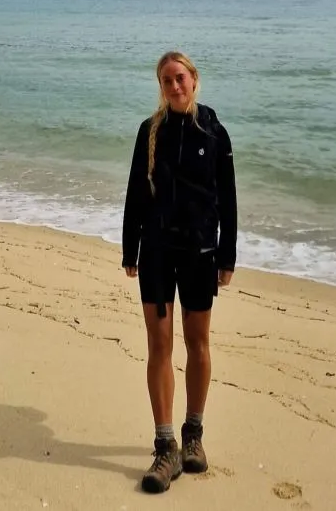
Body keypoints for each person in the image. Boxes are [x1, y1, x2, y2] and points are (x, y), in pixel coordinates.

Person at [122, 50, 237, 494]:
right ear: (161, 86)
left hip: (199, 252)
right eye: (167, 80)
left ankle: (194, 436)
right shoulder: (149, 132)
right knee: (159, 345)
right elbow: (135, 192)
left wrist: (227, 256)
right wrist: (129, 248)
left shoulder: (215, 131)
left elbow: (227, 199)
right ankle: (165, 446)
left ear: (194, 79)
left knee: (198, 343)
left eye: (181, 78)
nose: (175, 86)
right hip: (154, 251)